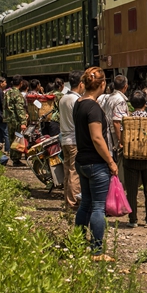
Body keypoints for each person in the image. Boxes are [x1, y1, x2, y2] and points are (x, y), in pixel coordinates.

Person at [73, 67, 118, 262]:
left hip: (82, 161)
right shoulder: (93, 108)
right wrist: (110, 161)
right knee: (98, 207)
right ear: (102, 84)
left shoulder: (79, 103)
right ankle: (97, 251)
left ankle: (78, 243)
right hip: (96, 163)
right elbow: (97, 138)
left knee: (86, 204)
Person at [121, 90, 147, 228]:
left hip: (130, 159)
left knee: (131, 190)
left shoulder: (127, 119)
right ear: (145, 103)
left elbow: (123, 138)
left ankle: (133, 219)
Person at [59, 71, 84, 212]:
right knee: (74, 172)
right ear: (81, 84)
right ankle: (73, 203)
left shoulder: (63, 98)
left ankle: (67, 201)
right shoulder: (76, 100)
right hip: (74, 139)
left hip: (64, 139)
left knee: (67, 171)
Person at [99, 75, 129, 156]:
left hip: (109, 134)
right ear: (125, 86)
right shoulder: (120, 100)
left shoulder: (110, 97)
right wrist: (120, 141)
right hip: (115, 135)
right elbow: (116, 122)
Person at [4, 75, 28, 166]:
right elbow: (19, 109)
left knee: (11, 138)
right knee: (18, 139)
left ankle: (14, 158)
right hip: (16, 120)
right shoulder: (17, 94)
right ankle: (16, 159)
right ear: (21, 83)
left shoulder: (7, 92)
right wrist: (23, 121)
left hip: (9, 119)